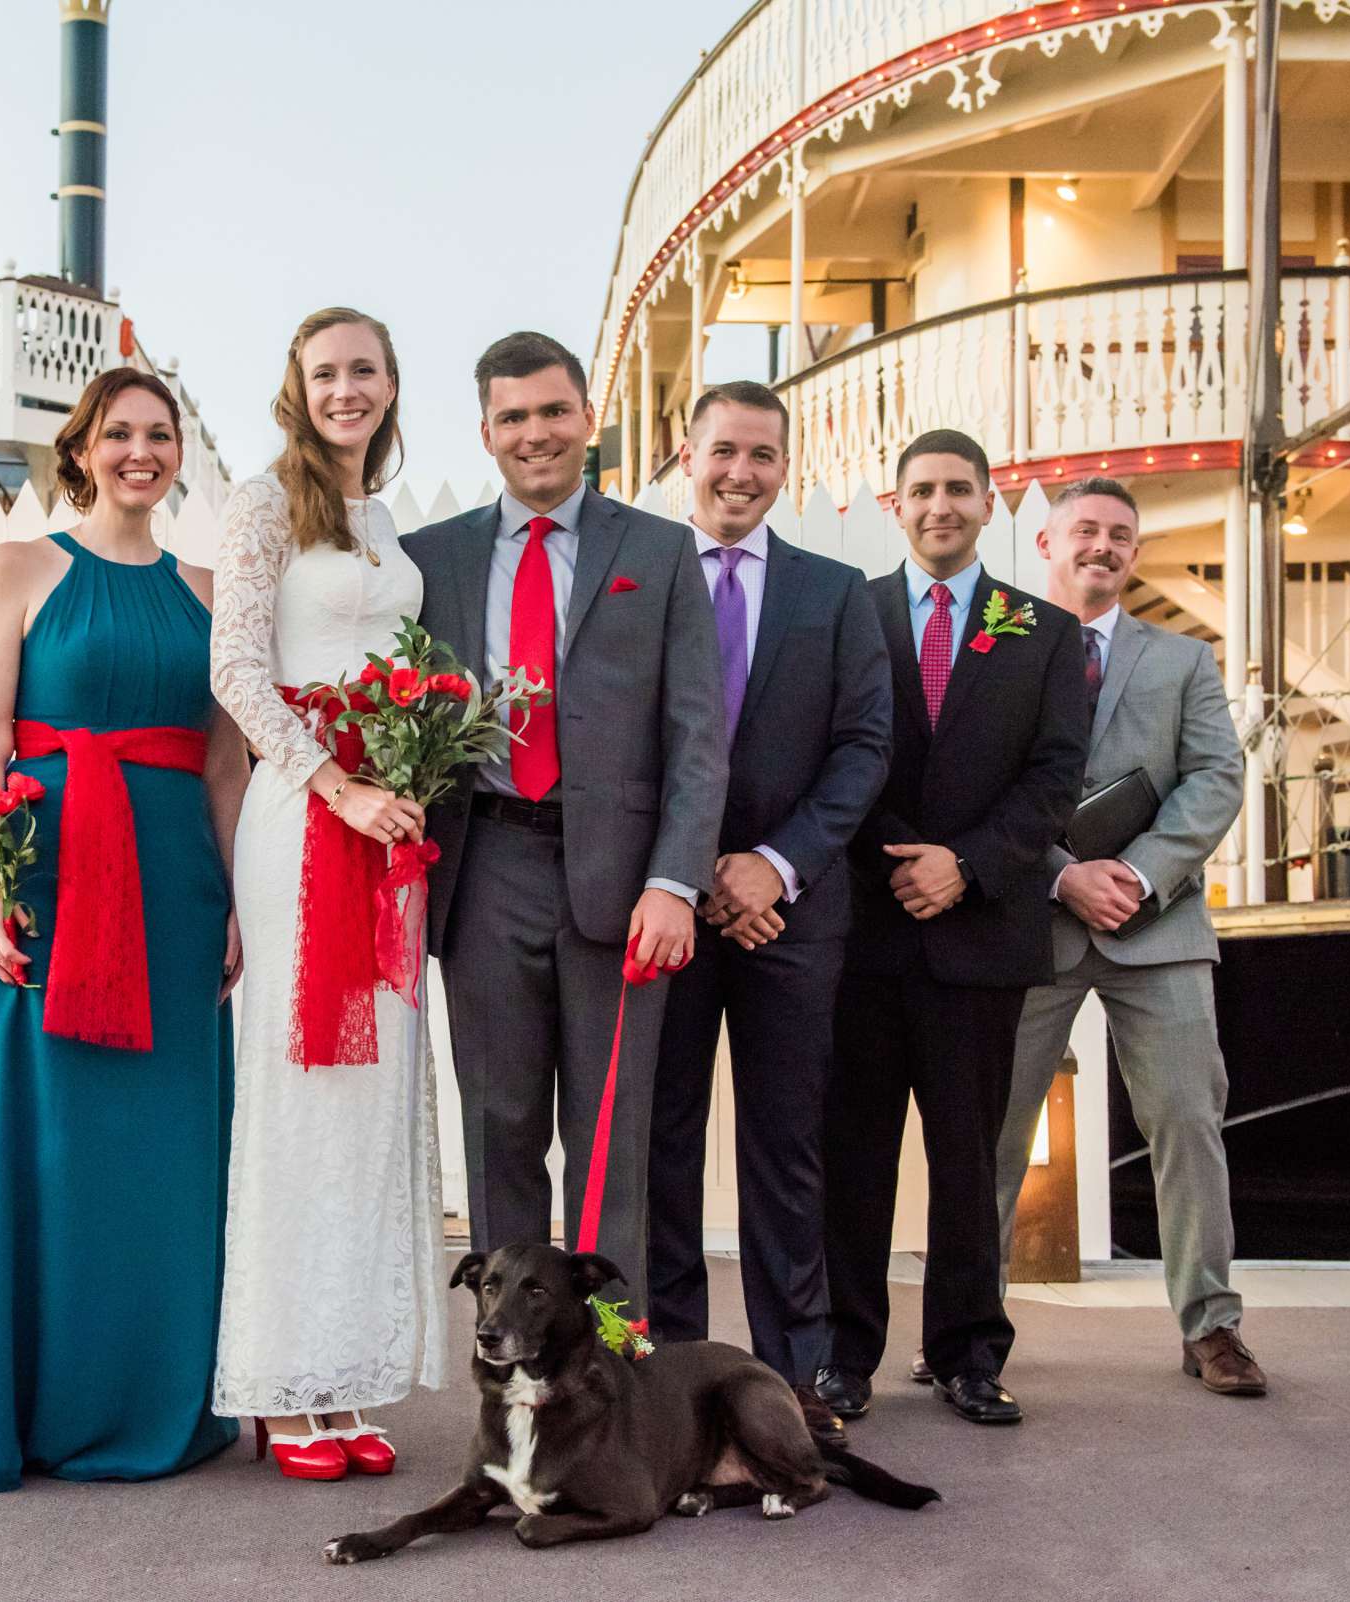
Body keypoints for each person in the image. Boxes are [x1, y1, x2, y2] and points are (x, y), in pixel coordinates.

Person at [0, 367, 249, 1490]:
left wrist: (239, 898)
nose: (141, 452)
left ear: (178, 453)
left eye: (160, 435)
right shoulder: (20, 567)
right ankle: (21, 1402)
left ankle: (148, 1397)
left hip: (174, 892)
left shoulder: (208, 584)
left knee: (159, 1154)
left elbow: (227, 759)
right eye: (119, 434)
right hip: (39, 877)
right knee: (33, 1143)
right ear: (82, 449)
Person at [403, 332, 728, 1320]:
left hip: (623, 880)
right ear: (487, 431)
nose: (535, 434)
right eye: (514, 417)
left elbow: (699, 732)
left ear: (587, 417)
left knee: (610, 1137)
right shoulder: (433, 559)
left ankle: (610, 1361)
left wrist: (675, 882)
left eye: (553, 412)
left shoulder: (661, 550)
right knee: (498, 1125)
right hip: (483, 862)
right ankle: (513, 1356)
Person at [208, 308, 446, 1481]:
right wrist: (336, 787)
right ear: (295, 391)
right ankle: (287, 1388)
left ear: (392, 384)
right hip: (304, 818)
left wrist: (405, 777)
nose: (346, 390)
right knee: (303, 1086)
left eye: (364, 370)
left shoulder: (387, 522)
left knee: (376, 1091)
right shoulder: (263, 505)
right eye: (325, 374)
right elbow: (239, 673)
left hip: (383, 829)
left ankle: (353, 1377)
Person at [815, 428, 1088, 1428]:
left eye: (959, 490)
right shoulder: (852, 618)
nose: (941, 505)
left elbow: (1055, 780)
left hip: (982, 939)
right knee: (855, 1155)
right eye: (922, 489)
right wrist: (903, 858)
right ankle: (842, 1353)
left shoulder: (1043, 631)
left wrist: (966, 866)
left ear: (988, 503)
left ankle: (970, 1353)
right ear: (896, 506)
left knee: (970, 1160)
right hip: (866, 933)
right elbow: (835, 752)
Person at [645, 382, 891, 1445]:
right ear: (684, 455)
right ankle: (662, 1377)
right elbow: (620, 742)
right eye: (723, 452)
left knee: (789, 1150)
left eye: (762, 455)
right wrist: (702, 872)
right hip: (667, 905)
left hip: (795, 914)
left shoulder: (837, 594)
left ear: (785, 466)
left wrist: (774, 868)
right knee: (662, 1146)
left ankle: (792, 1383)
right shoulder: (639, 581)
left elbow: (864, 748)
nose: (741, 472)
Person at [992, 477, 1265, 1396]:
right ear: (1046, 543)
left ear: (1134, 554)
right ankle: (967, 1330)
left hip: (1160, 927)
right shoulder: (1000, 647)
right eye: (1084, 531)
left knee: (1189, 1124)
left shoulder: (1184, 661)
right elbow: (973, 791)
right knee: (992, 1132)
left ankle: (1212, 1328)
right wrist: (1062, 873)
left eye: (1119, 535)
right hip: (1032, 924)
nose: (1101, 546)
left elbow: (1215, 780)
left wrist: (1140, 875)